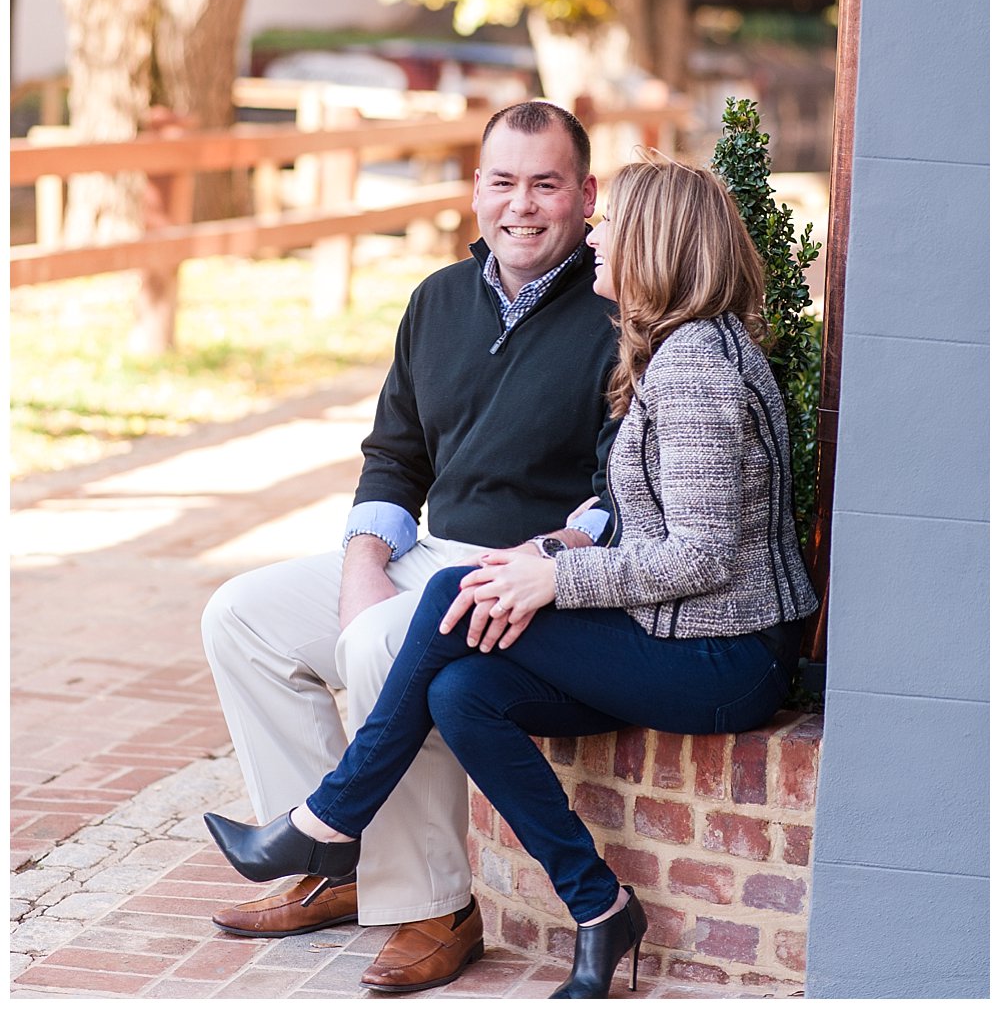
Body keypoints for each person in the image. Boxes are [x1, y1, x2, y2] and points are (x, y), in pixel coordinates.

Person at [203, 152, 819, 999]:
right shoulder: (679, 348)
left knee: (456, 596)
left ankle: (332, 819)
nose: (598, 238)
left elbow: (703, 557)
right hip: (682, 636)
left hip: (728, 657)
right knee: (464, 695)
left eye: (613, 224)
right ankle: (600, 909)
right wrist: (551, 558)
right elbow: (653, 529)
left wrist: (553, 579)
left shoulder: (695, 366)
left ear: (658, 242)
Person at [201, 100, 620, 992]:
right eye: (502, 181)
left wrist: (541, 561)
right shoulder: (436, 300)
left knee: (388, 644)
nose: (522, 204)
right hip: (425, 551)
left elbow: (617, 494)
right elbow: (395, 455)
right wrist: (364, 567)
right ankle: (328, 868)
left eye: (546, 184)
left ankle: (435, 905)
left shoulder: (618, 312)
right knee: (241, 616)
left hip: (527, 576)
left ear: (586, 195)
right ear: (475, 189)